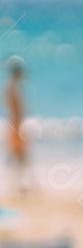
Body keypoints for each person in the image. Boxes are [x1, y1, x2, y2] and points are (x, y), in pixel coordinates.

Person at [4, 57, 29, 194]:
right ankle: (19, 184)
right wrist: (18, 127)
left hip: (14, 123)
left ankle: (18, 183)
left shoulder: (10, 87)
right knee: (19, 155)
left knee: (18, 155)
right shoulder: (12, 88)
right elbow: (16, 110)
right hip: (15, 124)